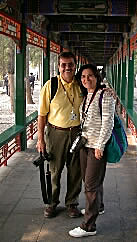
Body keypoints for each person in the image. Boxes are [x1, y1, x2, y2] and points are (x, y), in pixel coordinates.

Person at [69, 64, 116, 238]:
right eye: (83, 76)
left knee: (90, 185)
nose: (86, 79)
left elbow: (108, 123)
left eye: (90, 76)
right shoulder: (87, 95)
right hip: (85, 144)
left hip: (96, 146)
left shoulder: (105, 96)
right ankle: (99, 206)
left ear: (97, 77)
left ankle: (89, 226)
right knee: (93, 181)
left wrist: (100, 145)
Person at [36, 51, 83, 218]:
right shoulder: (51, 85)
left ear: (75, 66)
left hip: (77, 133)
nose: (67, 68)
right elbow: (41, 115)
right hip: (56, 133)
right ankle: (52, 203)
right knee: (55, 170)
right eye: (63, 65)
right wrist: (40, 139)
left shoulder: (81, 84)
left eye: (70, 64)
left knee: (75, 170)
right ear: (58, 66)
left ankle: (72, 203)